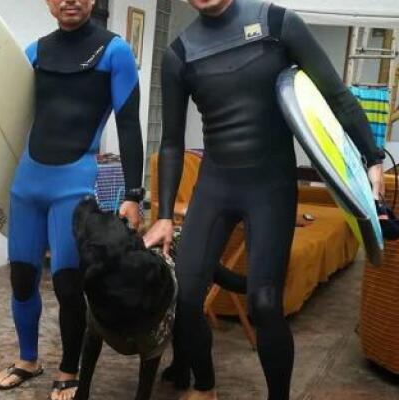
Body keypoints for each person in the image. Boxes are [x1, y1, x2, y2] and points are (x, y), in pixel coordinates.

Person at [143, 1, 385, 399]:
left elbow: (334, 94)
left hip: (269, 185)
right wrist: (164, 214)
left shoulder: (277, 23)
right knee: (185, 298)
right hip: (216, 185)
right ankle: (204, 387)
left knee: (265, 302)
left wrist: (372, 158)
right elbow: (170, 143)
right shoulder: (179, 53)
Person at [0, 1, 145, 399]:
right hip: (27, 183)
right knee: (22, 278)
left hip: (74, 183)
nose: (70, 1)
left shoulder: (114, 51)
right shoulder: (33, 53)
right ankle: (28, 360)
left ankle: (69, 368)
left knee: (67, 283)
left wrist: (134, 194)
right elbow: (2, 123)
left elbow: (129, 124)